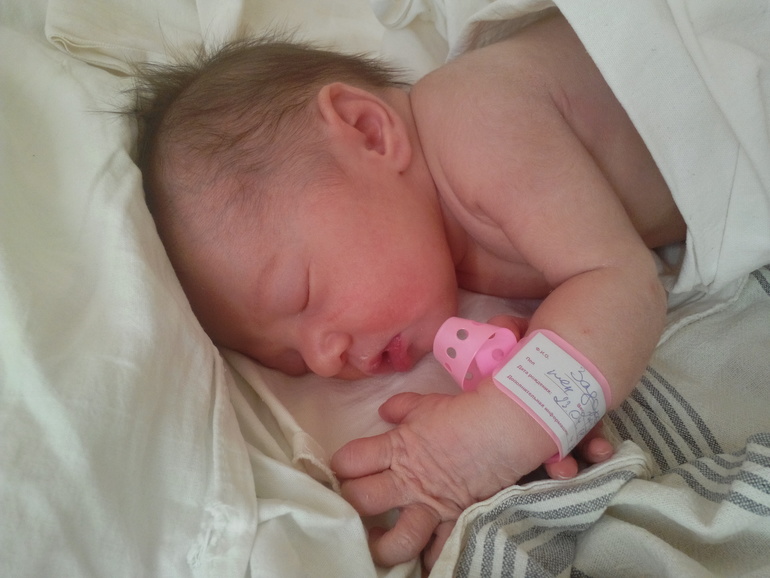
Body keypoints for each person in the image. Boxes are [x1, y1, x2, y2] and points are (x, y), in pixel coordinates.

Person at [131, 11, 703, 570]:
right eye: (288, 359)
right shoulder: (446, 254)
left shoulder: (475, 120)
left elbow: (619, 281)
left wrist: (488, 441)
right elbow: (588, 324)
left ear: (369, 132)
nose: (322, 360)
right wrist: (549, 400)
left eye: (298, 294)